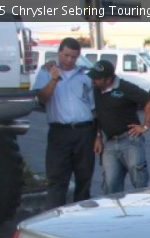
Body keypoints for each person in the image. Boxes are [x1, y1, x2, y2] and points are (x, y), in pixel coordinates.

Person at [33, 38, 96, 207]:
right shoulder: (46, 72)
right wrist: (53, 79)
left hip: (84, 131)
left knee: (84, 177)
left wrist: (97, 135)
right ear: (59, 52)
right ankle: (55, 218)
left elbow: (94, 107)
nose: (69, 60)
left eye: (74, 57)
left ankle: (81, 218)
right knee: (57, 178)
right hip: (59, 132)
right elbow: (42, 98)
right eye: (66, 55)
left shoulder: (85, 75)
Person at [88, 60, 150, 194]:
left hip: (130, 140)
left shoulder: (125, 87)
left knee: (139, 182)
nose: (93, 80)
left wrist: (145, 126)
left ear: (108, 79)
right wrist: (97, 136)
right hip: (109, 143)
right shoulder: (95, 90)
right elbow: (97, 114)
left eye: (97, 78)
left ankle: (145, 211)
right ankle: (114, 213)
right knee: (110, 184)